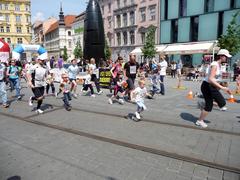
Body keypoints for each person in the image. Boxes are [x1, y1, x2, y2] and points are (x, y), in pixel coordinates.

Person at [196, 49, 232, 128]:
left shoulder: (218, 65)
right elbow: (210, 79)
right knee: (222, 103)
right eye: (226, 57)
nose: (227, 58)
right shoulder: (215, 64)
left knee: (210, 105)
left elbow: (216, 79)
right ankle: (200, 119)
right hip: (207, 86)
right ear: (221, 56)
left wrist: (224, 86)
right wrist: (222, 88)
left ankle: (200, 119)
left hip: (210, 86)